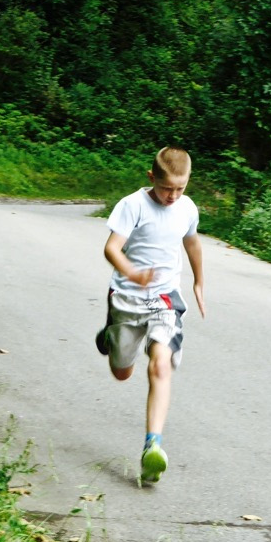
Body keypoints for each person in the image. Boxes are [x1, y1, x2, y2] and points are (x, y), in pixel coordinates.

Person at [95, 147, 206, 485]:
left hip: (164, 299)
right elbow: (111, 248)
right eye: (166, 188)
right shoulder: (133, 206)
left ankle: (152, 447)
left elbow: (192, 243)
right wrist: (131, 273)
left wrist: (200, 281)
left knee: (160, 364)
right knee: (122, 372)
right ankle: (112, 335)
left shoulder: (186, 208)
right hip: (128, 298)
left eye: (180, 188)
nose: (172, 196)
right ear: (151, 178)